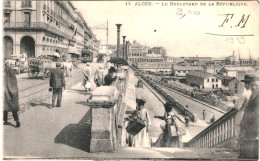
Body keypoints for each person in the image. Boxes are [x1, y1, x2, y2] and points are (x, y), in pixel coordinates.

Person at [238, 75, 259, 159]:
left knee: (250, 154)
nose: (253, 87)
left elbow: (256, 115)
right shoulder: (251, 95)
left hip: (253, 130)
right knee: (244, 152)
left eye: (256, 85)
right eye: (252, 85)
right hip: (246, 128)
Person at [3, 61, 20, 127]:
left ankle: (5, 120)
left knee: (5, 106)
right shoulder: (11, 71)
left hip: (6, 91)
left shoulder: (5, 71)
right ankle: (17, 120)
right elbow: (14, 80)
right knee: (13, 107)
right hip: (13, 91)